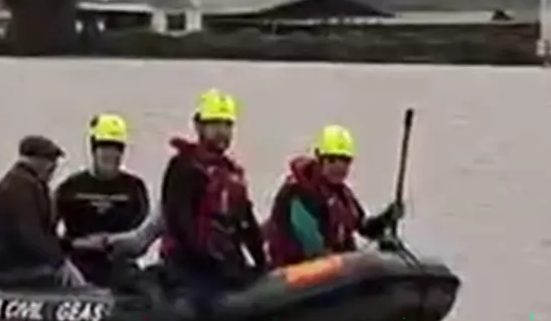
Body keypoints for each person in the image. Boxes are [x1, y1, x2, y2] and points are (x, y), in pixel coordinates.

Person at [158, 89, 266, 297]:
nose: (222, 132)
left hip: (227, 264)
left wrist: (261, 262)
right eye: (215, 124)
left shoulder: (231, 173)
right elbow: (180, 221)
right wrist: (211, 262)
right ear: (199, 126)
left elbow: (247, 223)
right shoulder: (183, 167)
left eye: (227, 125)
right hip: (190, 266)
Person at [261, 124, 403, 268]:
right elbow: (310, 240)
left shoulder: (343, 195)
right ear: (320, 159)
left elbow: (363, 227)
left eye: (345, 161)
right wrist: (345, 264)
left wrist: (387, 218)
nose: (339, 167)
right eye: (332, 160)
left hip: (334, 269)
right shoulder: (299, 192)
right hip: (297, 269)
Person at [0, 134, 90, 288]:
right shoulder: (19, 189)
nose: (54, 167)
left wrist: (71, 245)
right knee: (68, 274)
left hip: (10, 265)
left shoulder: (25, 184)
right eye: (50, 160)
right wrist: (60, 257)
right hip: (8, 270)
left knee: (67, 268)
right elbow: (31, 240)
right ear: (33, 160)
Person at [54, 113, 151, 286]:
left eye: (116, 149)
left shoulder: (134, 188)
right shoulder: (71, 187)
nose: (110, 155)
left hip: (120, 266)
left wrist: (110, 241)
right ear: (93, 150)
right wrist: (76, 244)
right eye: (104, 148)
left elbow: (143, 233)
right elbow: (48, 229)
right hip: (79, 266)